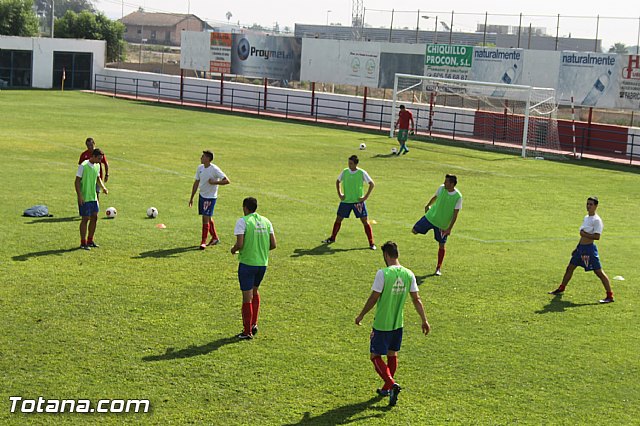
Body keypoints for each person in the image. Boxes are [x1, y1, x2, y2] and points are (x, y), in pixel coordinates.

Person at [355, 241, 430, 407]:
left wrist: (361, 315)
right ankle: (387, 388)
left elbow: (374, 297)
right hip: (398, 323)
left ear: (386, 255)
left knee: (375, 356)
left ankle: (391, 384)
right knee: (392, 354)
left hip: (382, 323)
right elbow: (416, 299)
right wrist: (424, 320)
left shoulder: (383, 273)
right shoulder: (409, 274)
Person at [548, 197, 614, 303]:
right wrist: (577, 247)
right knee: (570, 268)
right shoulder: (587, 217)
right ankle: (561, 288)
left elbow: (597, 237)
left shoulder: (597, 220)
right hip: (581, 249)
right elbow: (582, 236)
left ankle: (610, 296)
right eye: (587, 204)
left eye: (591, 204)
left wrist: (584, 234)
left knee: (599, 272)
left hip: (589, 250)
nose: (588, 206)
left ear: (596, 206)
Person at [230, 197, 277, 340]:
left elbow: (240, 244)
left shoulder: (243, 221)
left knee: (246, 298)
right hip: (262, 264)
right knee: (255, 292)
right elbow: (273, 244)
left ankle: (247, 332)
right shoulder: (266, 221)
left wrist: (233, 249)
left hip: (247, 264)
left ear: (245, 207)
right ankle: (254, 324)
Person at [322, 155, 376, 250]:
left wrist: (365, 197)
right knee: (338, 219)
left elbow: (372, 184)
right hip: (346, 202)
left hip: (357, 202)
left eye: (351, 163)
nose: (349, 165)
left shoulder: (361, 173)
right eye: (348, 163)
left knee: (365, 221)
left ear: (355, 164)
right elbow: (338, 181)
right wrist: (340, 194)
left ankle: (371, 243)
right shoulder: (345, 171)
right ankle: (332, 238)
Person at [412, 174, 462, 276]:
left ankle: (438, 268)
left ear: (452, 184)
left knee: (442, 245)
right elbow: (435, 197)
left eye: (446, 182)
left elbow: (455, 214)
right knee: (414, 230)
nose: (444, 183)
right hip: (430, 217)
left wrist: (449, 229)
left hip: (442, 225)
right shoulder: (441, 188)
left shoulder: (458, 197)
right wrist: (428, 205)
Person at [189, 150, 230, 250]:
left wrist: (215, 182)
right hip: (202, 196)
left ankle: (203, 241)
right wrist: (192, 197)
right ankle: (215, 238)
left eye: (203, 156)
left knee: (205, 218)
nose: (201, 158)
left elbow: (227, 181)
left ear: (208, 159)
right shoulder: (200, 168)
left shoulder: (214, 169)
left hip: (210, 197)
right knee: (208, 218)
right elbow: (196, 182)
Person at [75, 148, 108, 250]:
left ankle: (90, 240)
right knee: (85, 219)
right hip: (85, 197)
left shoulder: (97, 166)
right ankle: (83, 242)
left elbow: (98, 178)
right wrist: (80, 196)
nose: (100, 161)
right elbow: (76, 182)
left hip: (93, 197)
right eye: (98, 158)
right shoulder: (83, 166)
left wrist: (103, 187)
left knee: (95, 217)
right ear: (93, 156)